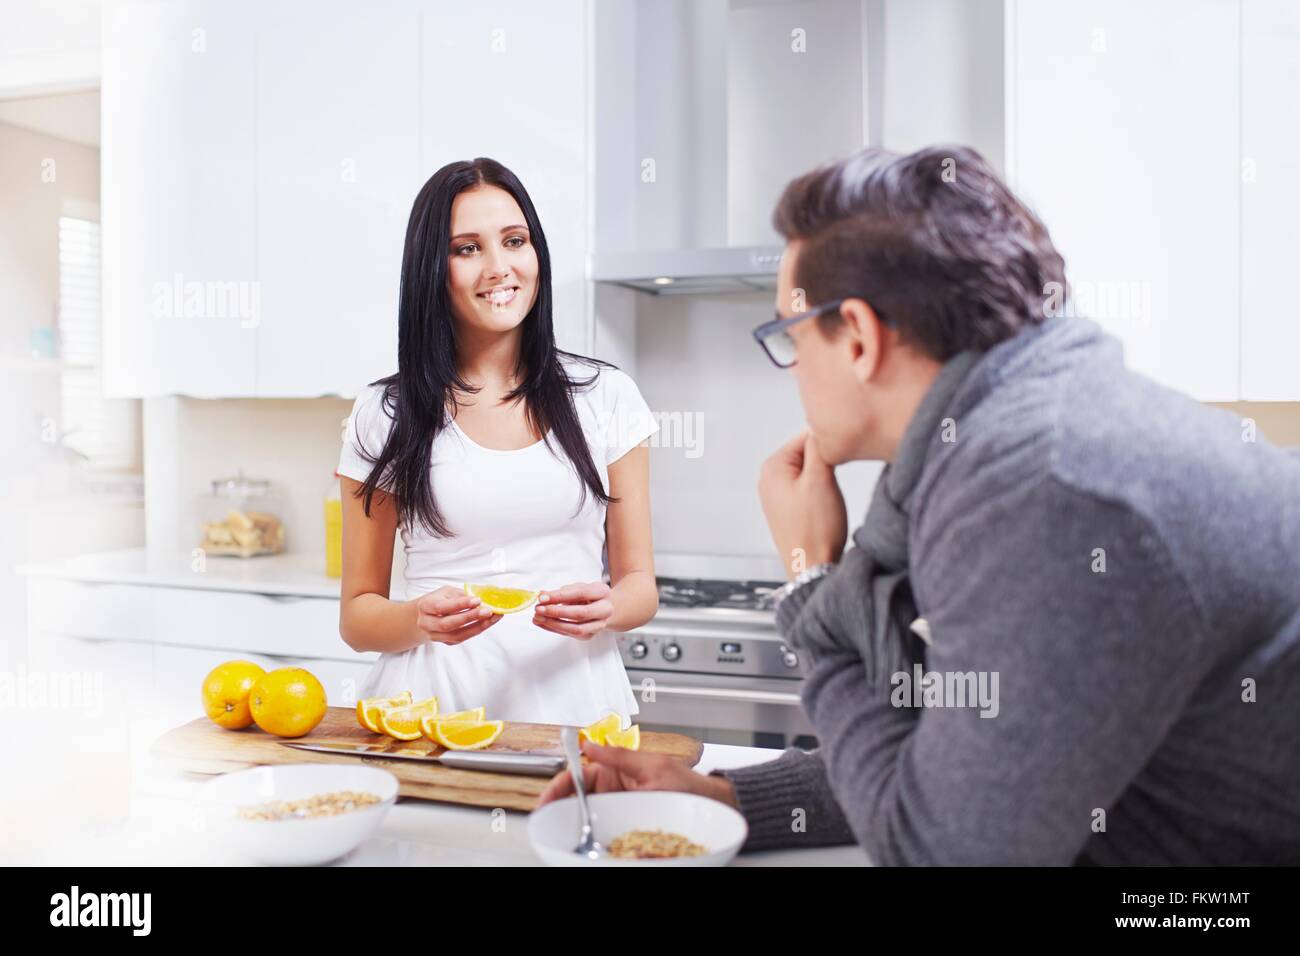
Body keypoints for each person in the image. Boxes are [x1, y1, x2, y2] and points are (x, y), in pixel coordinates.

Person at [539, 145, 1300, 865]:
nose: (792, 368)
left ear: (860, 338)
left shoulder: (1055, 490)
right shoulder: (994, 442)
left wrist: (809, 584)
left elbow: (943, 851)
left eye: (789, 335)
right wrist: (725, 796)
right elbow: (951, 759)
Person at [337, 157, 659, 726]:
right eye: (467, 249)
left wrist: (609, 607)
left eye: (515, 240)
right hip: (431, 711)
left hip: (578, 713)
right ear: (432, 268)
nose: (499, 267)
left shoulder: (607, 396)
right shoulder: (384, 413)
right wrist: (418, 619)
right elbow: (358, 617)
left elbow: (640, 587)